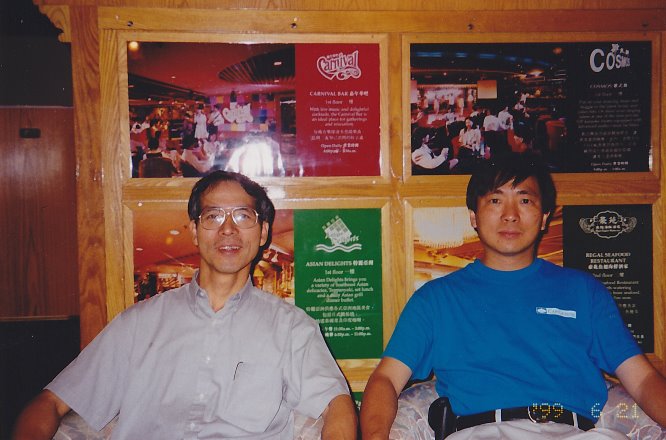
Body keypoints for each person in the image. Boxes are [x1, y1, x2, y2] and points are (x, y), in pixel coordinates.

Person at [13, 171, 357, 440]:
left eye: (242, 216)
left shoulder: (292, 327)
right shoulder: (138, 323)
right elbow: (51, 403)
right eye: (213, 216)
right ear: (194, 231)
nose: (227, 229)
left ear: (263, 232)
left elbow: (337, 405)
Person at [361, 153, 666, 439]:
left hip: (574, 432)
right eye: (495, 200)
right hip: (482, 432)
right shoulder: (436, 299)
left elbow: (642, 380)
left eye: (524, 200)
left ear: (544, 217)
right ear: (473, 216)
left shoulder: (584, 291)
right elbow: (386, 379)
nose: (510, 215)